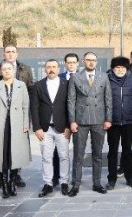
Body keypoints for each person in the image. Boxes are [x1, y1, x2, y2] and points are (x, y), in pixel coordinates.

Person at [0, 45, 33, 188]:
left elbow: (30, 92)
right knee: (1, 149)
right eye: (8, 52)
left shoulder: (25, 69)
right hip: (1, 116)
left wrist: (27, 121)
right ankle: (1, 177)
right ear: (3, 54)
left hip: (17, 118)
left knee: (16, 148)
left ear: (17, 54)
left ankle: (15, 176)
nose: (10, 54)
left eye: (13, 52)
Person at [67, 52, 112, 196]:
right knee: (78, 154)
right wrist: (72, 121)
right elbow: (71, 100)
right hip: (80, 121)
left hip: (99, 120)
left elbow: (108, 99)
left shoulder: (103, 76)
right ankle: (76, 184)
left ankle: (97, 182)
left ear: (97, 62)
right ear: (83, 61)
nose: (91, 63)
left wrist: (108, 119)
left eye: (94, 60)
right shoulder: (75, 77)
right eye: (88, 60)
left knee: (97, 154)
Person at [30, 60, 71, 197]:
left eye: (54, 67)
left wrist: (69, 125)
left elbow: (70, 106)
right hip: (45, 128)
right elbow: (34, 108)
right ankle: (48, 184)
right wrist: (36, 128)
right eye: (48, 67)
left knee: (64, 156)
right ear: (45, 69)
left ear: (59, 69)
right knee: (46, 157)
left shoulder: (66, 84)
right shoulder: (38, 85)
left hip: (62, 127)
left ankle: (64, 182)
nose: (51, 69)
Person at [106, 56, 132, 190]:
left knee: (128, 151)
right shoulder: (107, 80)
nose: (120, 70)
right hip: (112, 122)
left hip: (128, 121)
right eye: (117, 67)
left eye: (123, 67)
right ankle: (112, 179)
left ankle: (130, 177)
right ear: (113, 69)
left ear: (127, 69)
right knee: (112, 151)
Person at [51, 52, 80, 187]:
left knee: (78, 150)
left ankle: (75, 177)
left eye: (73, 62)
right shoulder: (59, 77)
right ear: (65, 64)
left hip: (79, 119)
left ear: (78, 64)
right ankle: (57, 176)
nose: (71, 64)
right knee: (59, 151)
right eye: (69, 62)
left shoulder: (82, 77)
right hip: (62, 120)